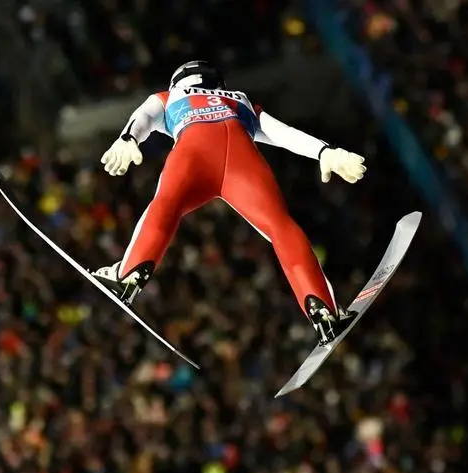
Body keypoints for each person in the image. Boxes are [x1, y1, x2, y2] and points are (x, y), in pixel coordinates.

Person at [94, 60, 368, 345]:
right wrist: (325, 151)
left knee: (165, 205)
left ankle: (128, 275)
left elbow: (144, 117)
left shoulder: (168, 96)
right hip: (241, 162)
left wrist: (128, 138)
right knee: (280, 226)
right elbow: (282, 133)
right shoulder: (240, 100)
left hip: (194, 156)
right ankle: (323, 310)